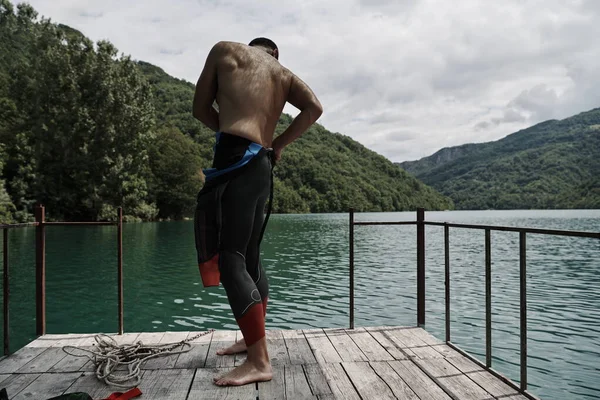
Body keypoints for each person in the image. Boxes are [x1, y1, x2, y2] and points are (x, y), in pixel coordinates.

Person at [192, 38, 323, 386]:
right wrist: (277, 143)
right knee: (250, 257)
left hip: (235, 158)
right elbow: (314, 108)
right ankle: (252, 342)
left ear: (253, 48)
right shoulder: (283, 73)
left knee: (231, 259)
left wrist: (227, 130)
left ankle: (259, 360)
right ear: (275, 54)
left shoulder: (225, 50)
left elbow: (199, 108)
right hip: (263, 164)